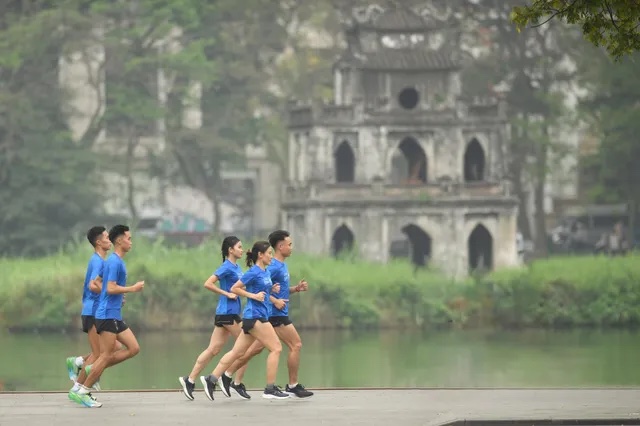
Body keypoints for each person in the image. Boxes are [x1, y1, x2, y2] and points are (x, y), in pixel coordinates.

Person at [217, 230, 313, 399]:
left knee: (252, 350)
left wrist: (295, 289)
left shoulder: (281, 265)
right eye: (289, 244)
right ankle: (291, 385)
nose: (291, 248)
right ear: (280, 246)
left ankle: (228, 376)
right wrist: (274, 301)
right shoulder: (273, 266)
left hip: (268, 315)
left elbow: (276, 290)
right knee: (295, 345)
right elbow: (259, 288)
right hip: (273, 315)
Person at [200, 241, 290, 400]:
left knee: (237, 352)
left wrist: (272, 290)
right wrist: (253, 296)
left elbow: (262, 290)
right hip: (255, 316)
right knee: (276, 348)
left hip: (255, 317)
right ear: (260, 255)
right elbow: (235, 288)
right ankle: (270, 389)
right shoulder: (254, 271)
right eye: (269, 253)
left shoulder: (265, 272)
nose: (271, 256)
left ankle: (211, 379)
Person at [70, 225, 145, 408]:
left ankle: (90, 369)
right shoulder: (114, 262)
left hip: (114, 315)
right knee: (105, 354)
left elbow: (97, 282)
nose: (131, 242)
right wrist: (131, 289)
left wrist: (119, 295)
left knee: (134, 348)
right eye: (128, 238)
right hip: (106, 315)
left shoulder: (114, 261)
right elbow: (109, 287)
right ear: (119, 240)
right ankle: (83, 391)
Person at [177, 236, 252, 401]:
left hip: (227, 313)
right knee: (246, 345)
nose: (241, 249)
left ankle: (189, 380)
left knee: (213, 349)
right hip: (227, 313)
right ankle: (229, 379)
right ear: (230, 250)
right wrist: (227, 294)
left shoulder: (237, 267)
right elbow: (208, 283)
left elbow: (242, 285)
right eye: (239, 247)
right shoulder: (226, 267)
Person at [66, 226, 112, 400]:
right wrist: (110, 293)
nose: (110, 240)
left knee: (110, 348)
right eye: (107, 238)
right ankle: (78, 390)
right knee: (99, 354)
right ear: (99, 242)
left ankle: (77, 362)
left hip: (95, 310)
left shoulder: (100, 259)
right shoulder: (98, 261)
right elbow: (92, 284)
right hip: (92, 310)